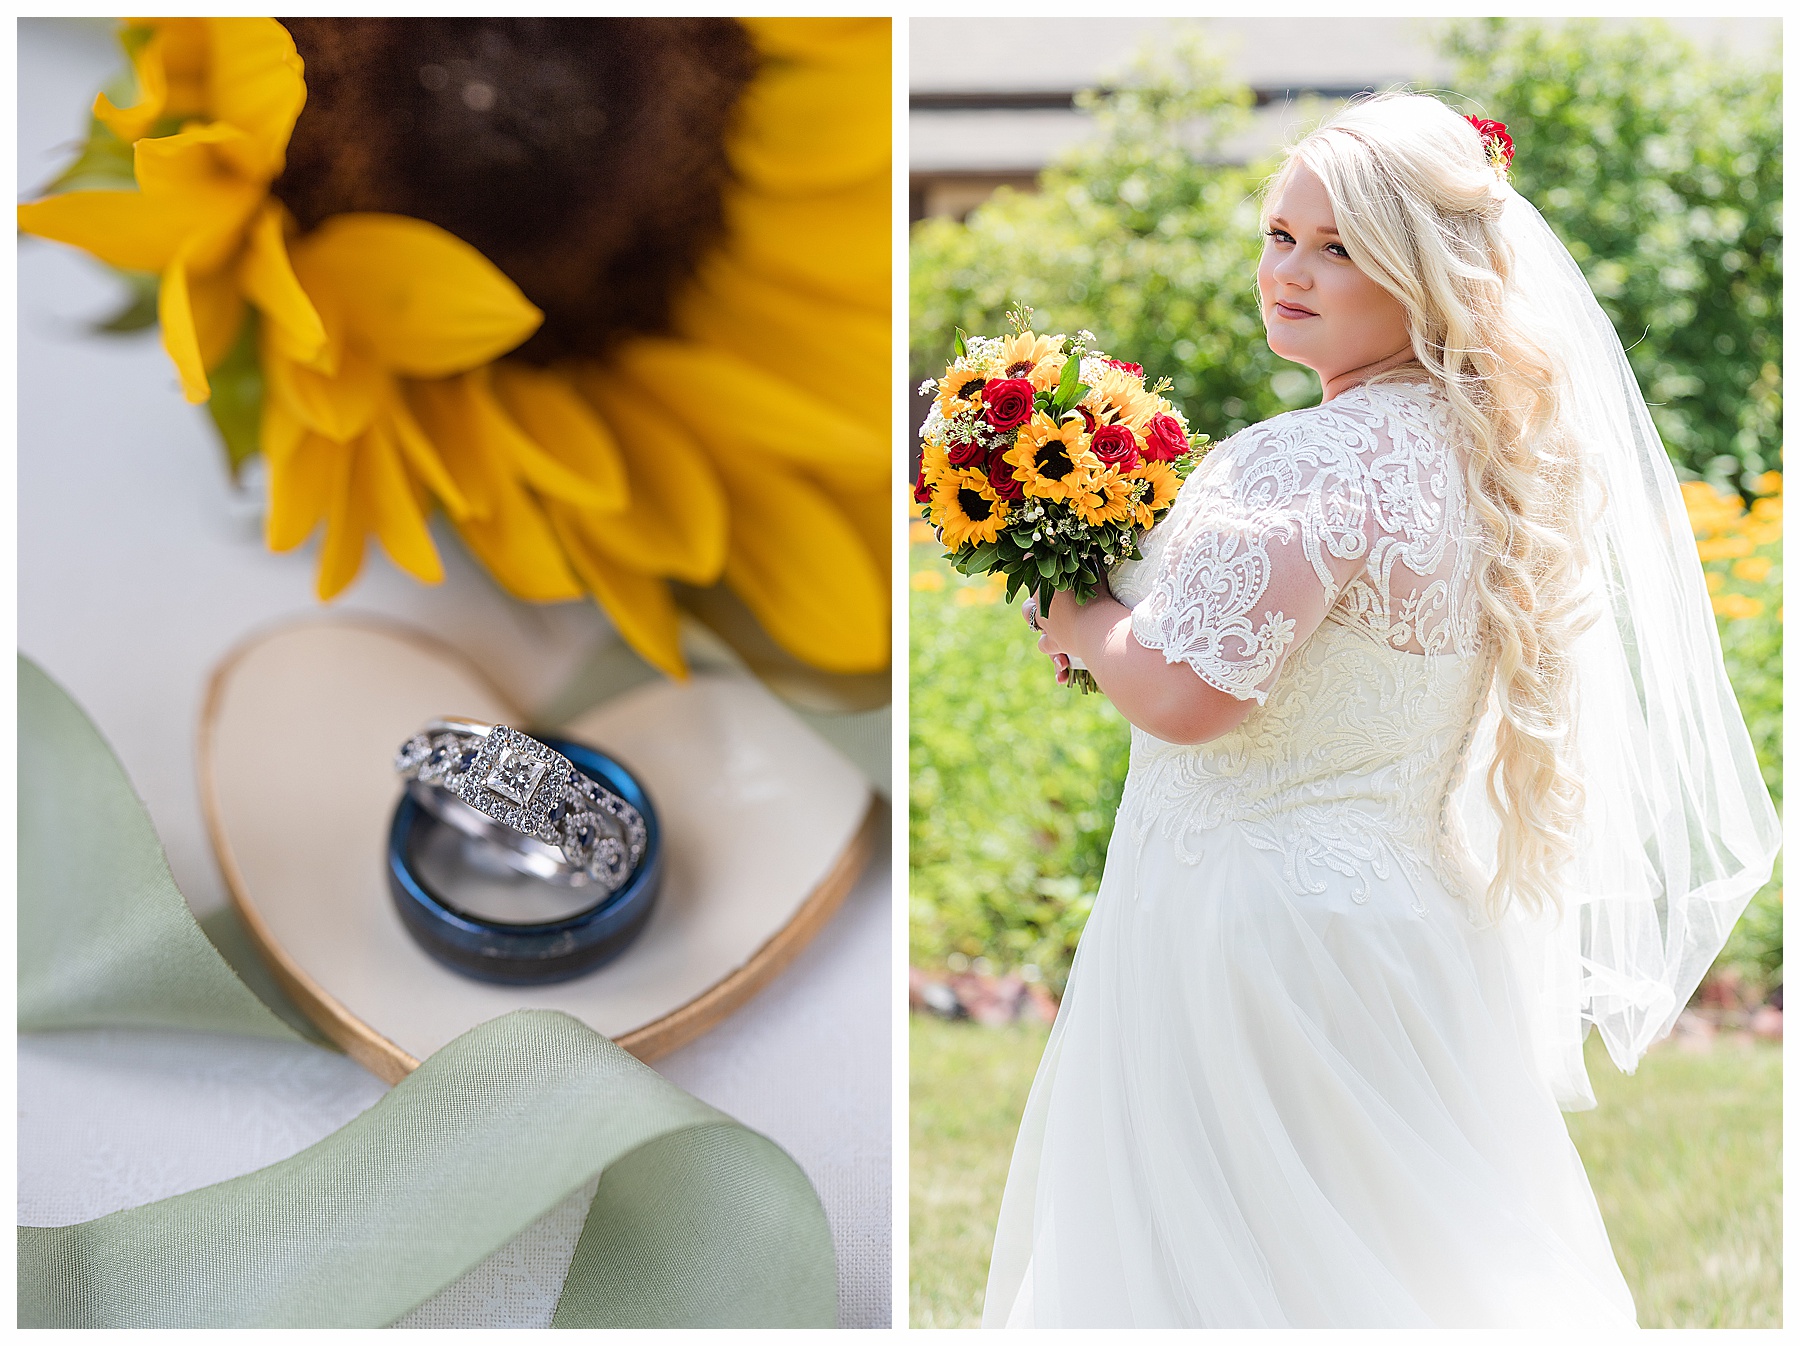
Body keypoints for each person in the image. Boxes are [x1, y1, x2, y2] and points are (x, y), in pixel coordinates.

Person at [987, 92, 1778, 1328]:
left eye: (1339, 246)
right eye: (1278, 234)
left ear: (1423, 268)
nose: (1289, 272)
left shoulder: (1303, 458)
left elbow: (1188, 698)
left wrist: (1082, 617)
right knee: (1412, 1258)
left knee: (1234, 1267)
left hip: (1248, 931)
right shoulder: (1491, 461)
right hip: (1409, 925)